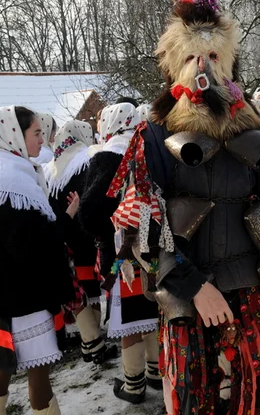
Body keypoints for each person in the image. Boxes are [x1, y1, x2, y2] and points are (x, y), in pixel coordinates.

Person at [106, 0, 260, 414]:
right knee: (193, 400)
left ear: (229, 63)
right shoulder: (156, 135)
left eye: (214, 56)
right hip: (187, 294)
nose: (203, 66)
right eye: (192, 57)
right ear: (175, 66)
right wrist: (195, 287)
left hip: (250, 287)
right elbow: (146, 229)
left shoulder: (254, 133)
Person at [0, 106, 76, 415]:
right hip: (25, 297)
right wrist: (64, 223)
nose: (43, 139)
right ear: (14, 133)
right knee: (38, 371)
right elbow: (29, 247)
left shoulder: (4, 170)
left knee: (5, 365)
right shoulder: (9, 180)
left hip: (10, 294)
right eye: (37, 133)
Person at [77, 102, 160, 405]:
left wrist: (105, 227)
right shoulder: (149, 149)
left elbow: (89, 212)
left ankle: (134, 384)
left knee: (129, 321)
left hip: (121, 252)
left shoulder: (106, 157)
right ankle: (155, 372)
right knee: (150, 309)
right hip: (152, 249)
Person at [45, 120, 118, 365]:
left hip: (64, 238)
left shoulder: (52, 168)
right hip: (86, 236)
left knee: (79, 291)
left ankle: (90, 342)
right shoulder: (86, 160)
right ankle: (93, 341)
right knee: (89, 290)